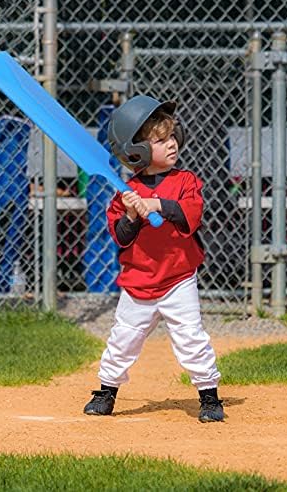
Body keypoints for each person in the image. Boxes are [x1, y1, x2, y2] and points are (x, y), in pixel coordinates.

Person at [83, 95, 224, 423]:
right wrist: (132, 214)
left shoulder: (186, 182)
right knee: (123, 340)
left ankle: (209, 396)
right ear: (136, 151)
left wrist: (157, 205)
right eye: (160, 140)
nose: (172, 144)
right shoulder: (124, 194)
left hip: (178, 279)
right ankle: (106, 392)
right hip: (138, 282)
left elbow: (190, 215)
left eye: (172, 136)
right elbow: (121, 237)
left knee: (191, 338)